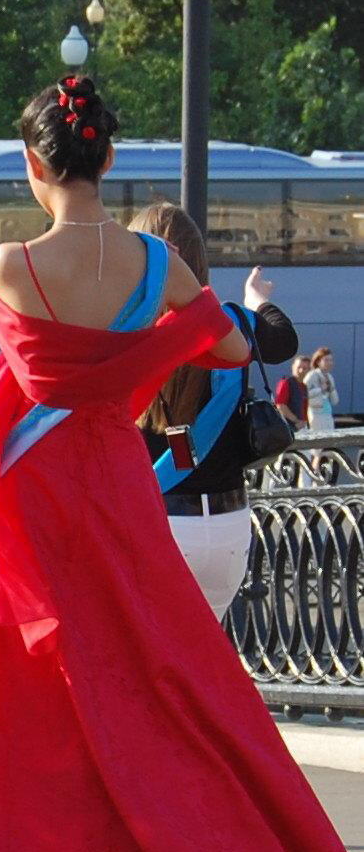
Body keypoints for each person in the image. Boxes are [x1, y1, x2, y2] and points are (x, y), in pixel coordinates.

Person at [0, 75, 364, 852]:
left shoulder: (14, 265)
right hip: (116, 486)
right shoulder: (159, 264)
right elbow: (224, 346)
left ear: (36, 164)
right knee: (149, 676)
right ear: (107, 159)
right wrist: (172, 332)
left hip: (33, 498)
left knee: (17, 688)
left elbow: (33, 375)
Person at [131, 206, 298, 618]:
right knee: (207, 660)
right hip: (227, 526)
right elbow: (284, 342)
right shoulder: (230, 325)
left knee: (153, 669)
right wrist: (256, 304)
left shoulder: (128, 331)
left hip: (157, 524)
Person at [306, 345, 339, 432]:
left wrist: (332, 389)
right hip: (316, 413)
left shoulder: (329, 377)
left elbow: (335, 401)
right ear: (318, 361)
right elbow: (303, 394)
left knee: (329, 440)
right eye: (326, 360)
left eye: (331, 360)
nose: (329, 363)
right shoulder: (312, 375)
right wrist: (320, 390)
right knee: (318, 441)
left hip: (327, 413)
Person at [275, 354, 311, 430]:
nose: (301, 370)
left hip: (301, 427)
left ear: (309, 370)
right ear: (293, 367)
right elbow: (280, 405)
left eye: (304, 368)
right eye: (298, 367)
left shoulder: (304, 387)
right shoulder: (286, 383)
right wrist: (296, 421)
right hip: (288, 429)